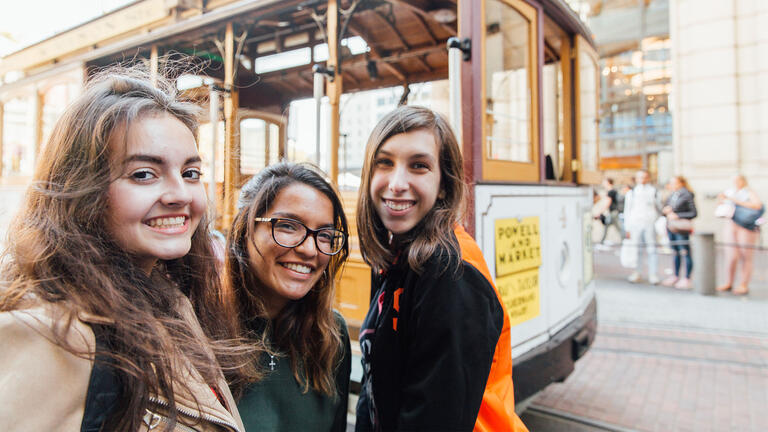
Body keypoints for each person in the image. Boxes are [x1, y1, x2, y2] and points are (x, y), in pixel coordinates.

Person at [0, 68, 245, 431]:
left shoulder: (169, 298)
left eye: (191, 173)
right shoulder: (51, 332)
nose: (180, 194)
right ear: (83, 189)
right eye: (144, 174)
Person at [354, 106, 528, 432]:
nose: (397, 183)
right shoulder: (397, 258)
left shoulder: (450, 272)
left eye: (418, 166)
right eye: (385, 162)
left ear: (444, 184)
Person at [222, 162, 351, 432]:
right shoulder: (200, 329)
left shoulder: (330, 336)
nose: (309, 249)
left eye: (325, 235)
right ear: (245, 230)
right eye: (289, 226)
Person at [716, 174, 763, 295]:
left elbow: (757, 205)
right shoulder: (730, 192)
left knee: (745, 256)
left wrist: (733, 200)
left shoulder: (749, 192)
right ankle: (728, 282)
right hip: (731, 224)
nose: (736, 182)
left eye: (738, 180)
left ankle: (743, 284)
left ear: (743, 181)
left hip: (745, 227)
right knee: (731, 256)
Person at [624, 169, 661, 284]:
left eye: (645, 177)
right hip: (635, 223)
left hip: (650, 223)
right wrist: (627, 227)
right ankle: (637, 272)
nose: (642, 180)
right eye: (640, 177)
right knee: (637, 249)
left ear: (648, 178)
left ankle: (653, 274)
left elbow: (658, 208)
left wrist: (655, 220)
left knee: (652, 249)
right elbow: (627, 211)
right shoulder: (632, 193)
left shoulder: (653, 191)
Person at [660, 176, 697, 289]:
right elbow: (664, 210)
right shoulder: (672, 195)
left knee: (685, 252)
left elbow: (694, 213)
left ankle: (687, 278)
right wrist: (665, 211)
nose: (672, 185)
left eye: (674, 182)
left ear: (681, 183)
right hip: (671, 226)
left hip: (681, 227)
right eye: (671, 183)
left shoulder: (687, 194)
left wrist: (677, 215)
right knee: (675, 252)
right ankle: (675, 275)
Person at [595, 177, 623, 244]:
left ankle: (602, 241)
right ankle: (623, 239)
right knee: (616, 227)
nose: (603, 184)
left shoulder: (611, 192)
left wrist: (600, 212)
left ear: (608, 183)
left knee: (613, 226)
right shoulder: (614, 191)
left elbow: (608, 203)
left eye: (604, 182)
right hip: (614, 212)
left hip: (613, 213)